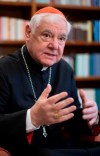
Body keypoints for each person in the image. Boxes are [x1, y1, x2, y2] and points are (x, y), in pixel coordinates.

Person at [0, 6, 100, 156]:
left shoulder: (65, 69)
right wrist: (31, 118)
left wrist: (90, 118)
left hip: (59, 147)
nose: (55, 46)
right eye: (46, 35)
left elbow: (71, 123)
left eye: (61, 38)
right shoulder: (4, 68)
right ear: (28, 32)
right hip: (21, 148)